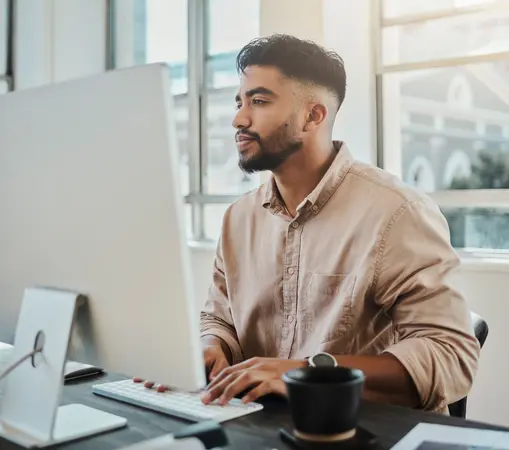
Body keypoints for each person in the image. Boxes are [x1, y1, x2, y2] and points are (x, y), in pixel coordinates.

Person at [147, 34, 481, 414]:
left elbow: (451, 355)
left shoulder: (398, 213)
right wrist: (211, 349)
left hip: (360, 433)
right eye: (239, 103)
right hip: (258, 427)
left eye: (258, 101)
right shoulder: (238, 218)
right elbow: (219, 318)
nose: (239, 119)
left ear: (313, 116)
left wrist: (306, 374)